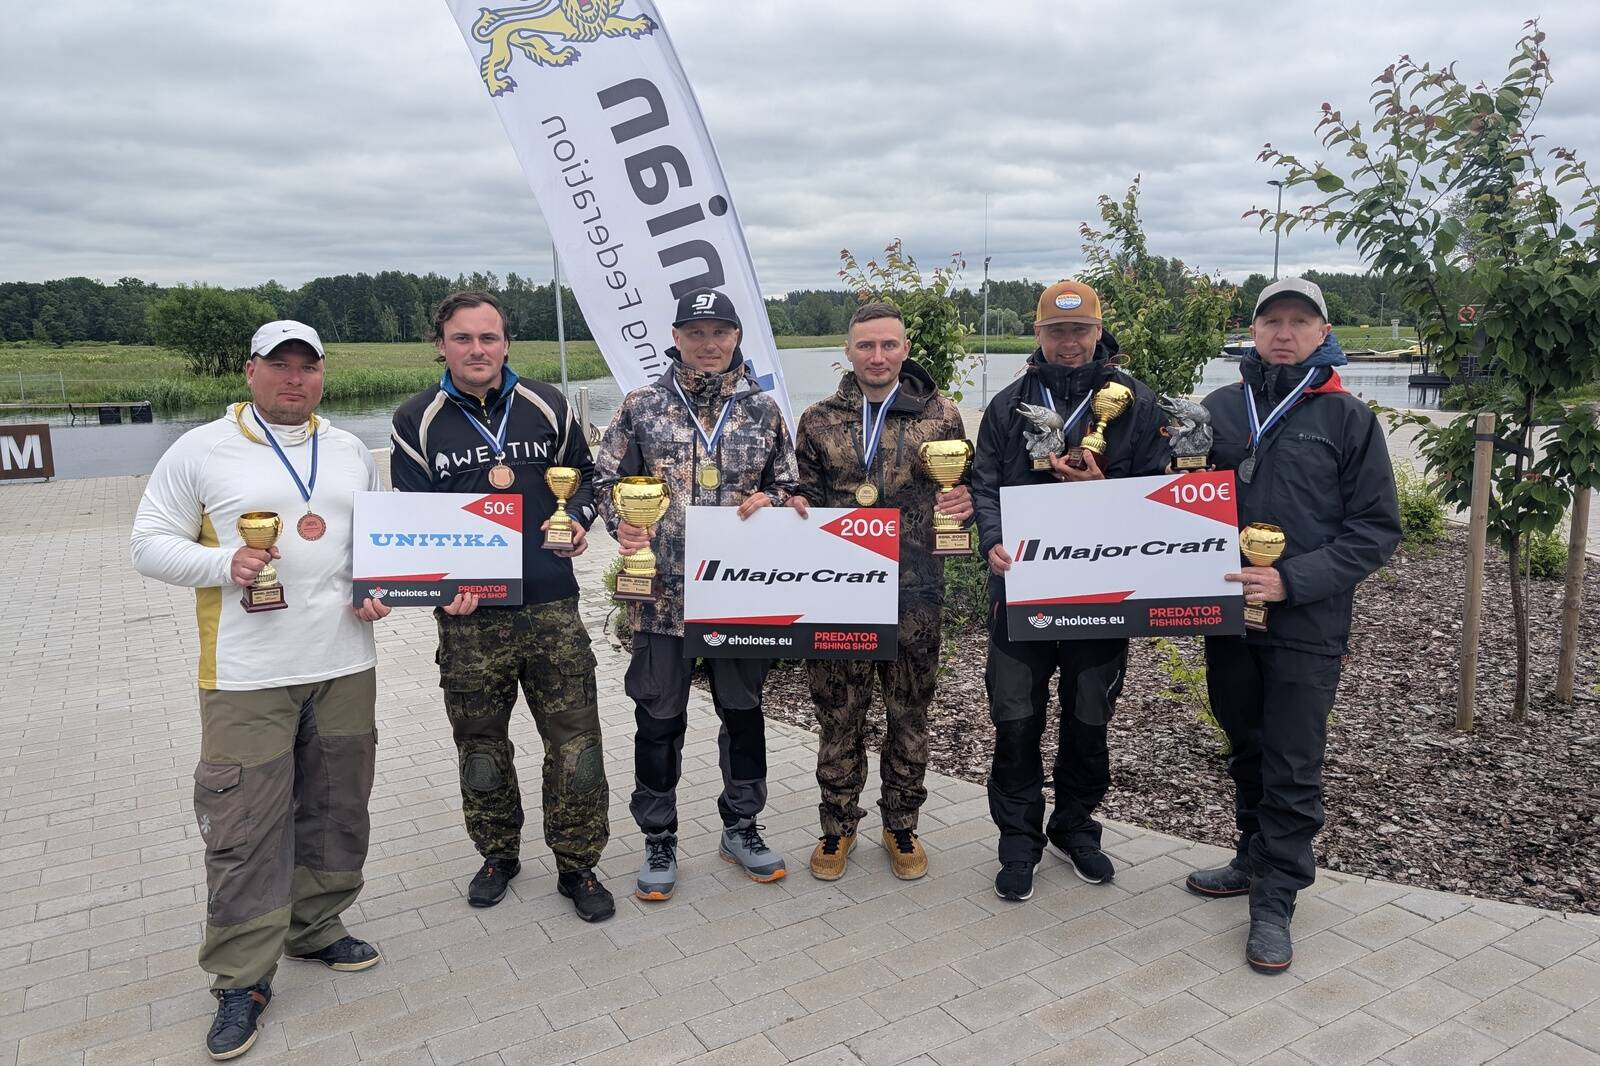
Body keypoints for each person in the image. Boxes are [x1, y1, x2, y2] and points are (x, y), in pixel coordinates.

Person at [131, 321, 389, 1061]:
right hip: (246, 676)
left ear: (322, 375)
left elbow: (369, 542)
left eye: (308, 367)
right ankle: (241, 978)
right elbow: (147, 542)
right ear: (251, 371)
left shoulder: (346, 450)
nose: (295, 380)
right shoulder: (200, 449)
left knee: (339, 806)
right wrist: (224, 566)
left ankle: (316, 926)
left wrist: (379, 592)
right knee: (244, 828)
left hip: (344, 663)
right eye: (280, 366)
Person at [1184, 277, 1400, 974]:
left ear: (1320, 332)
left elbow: (1374, 530)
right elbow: (1174, 496)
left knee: (1293, 756)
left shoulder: (1348, 419)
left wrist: (1291, 578)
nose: (1283, 332)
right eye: (1270, 320)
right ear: (1253, 332)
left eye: (1297, 321)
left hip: (1307, 618)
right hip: (1226, 616)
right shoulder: (1218, 409)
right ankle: (1253, 854)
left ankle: (1277, 898)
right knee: (1244, 740)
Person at [390, 291, 613, 923]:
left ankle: (579, 862)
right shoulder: (416, 420)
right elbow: (413, 522)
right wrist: (438, 585)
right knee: (481, 744)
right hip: (470, 619)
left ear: (505, 343)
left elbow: (587, 479)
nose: (477, 349)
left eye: (488, 337)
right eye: (463, 338)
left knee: (575, 742)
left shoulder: (548, 404)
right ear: (442, 345)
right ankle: (497, 854)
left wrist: (582, 523)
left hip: (550, 607)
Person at [594, 286, 800, 901]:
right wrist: (620, 519)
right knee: (659, 720)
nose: (708, 345)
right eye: (696, 333)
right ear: (677, 337)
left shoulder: (764, 410)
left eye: (720, 333)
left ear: (737, 338)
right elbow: (605, 477)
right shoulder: (642, 406)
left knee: (743, 716)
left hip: (740, 598)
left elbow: (789, 482)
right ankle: (659, 836)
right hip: (661, 598)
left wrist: (779, 500)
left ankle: (742, 825)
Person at [971, 280, 1169, 902]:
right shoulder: (1007, 406)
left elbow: (1160, 489)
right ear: (1039, 334)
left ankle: (1077, 826)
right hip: (1022, 592)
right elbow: (983, 486)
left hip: (1101, 596)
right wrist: (991, 541)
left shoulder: (1136, 403)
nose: (1069, 342)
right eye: (1057, 332)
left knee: (1089, 721)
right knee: (1016, 720)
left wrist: (1106, 488)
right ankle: (1018, 838)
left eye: (1080, 330)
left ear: (1098, 330)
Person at [789, 301, 972, 881]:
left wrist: (962, 508)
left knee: (909, 714)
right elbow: (803, 501)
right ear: (847, 350)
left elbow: (963, 496)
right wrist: (789, 509)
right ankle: (837, 828)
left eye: (888, 345)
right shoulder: (818, 420)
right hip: (839, 595)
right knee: (839, 716)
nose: (877, 356)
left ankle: (901, 826)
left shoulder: (941, 416)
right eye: (866, 345)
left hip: (915, 596)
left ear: (905, 348)